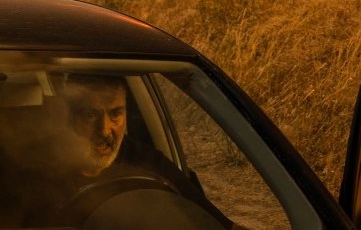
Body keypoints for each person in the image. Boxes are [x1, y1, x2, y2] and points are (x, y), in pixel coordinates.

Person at [52, 73, 235, 228]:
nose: (105, 130)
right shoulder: (39, 170)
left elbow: (217, 224)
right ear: (69, 117)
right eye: (90, 115)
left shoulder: (152, 164)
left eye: (115, 114)